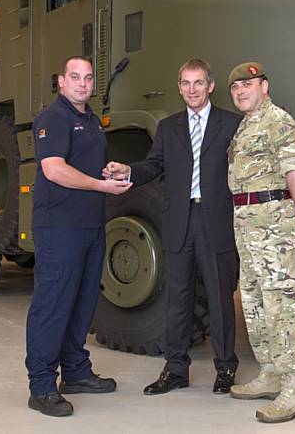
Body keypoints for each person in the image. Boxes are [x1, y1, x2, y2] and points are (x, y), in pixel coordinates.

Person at [104, 59, 242, 395]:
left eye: (198, 83)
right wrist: (129, 171)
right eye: (185, 83)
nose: (191, 90)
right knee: (177, 299)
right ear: (179, 87)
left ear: (210, 86)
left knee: (219, 297)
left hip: (216, 220)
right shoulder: (169, 127)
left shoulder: (233, 124)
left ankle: (225, 369)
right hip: (180, 221)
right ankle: (175, 369)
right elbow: (153, 166)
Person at [25, 56, 131, 417]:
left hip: (90, 226)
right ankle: (41, 385)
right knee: (53, 305)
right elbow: (54, 170)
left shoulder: (90, 120)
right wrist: (100, 185)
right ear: (61, 81)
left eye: (87, 78)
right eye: (75, 77)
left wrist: (109, 172)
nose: (83, 84)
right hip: (60, 228)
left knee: (82, 303)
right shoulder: (52, 118)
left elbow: (82, 166)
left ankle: (75, 372)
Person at [226, 62, 295, 424]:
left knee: (282, 302)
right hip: (247, 223)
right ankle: (270, 373)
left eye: (248, 84)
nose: (241, 91)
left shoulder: (277, 119)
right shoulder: (247, 124)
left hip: (272, 222)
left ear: (264, 85)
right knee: (255, 300)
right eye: (235, 88)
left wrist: (293, 208)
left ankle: (294, 389)